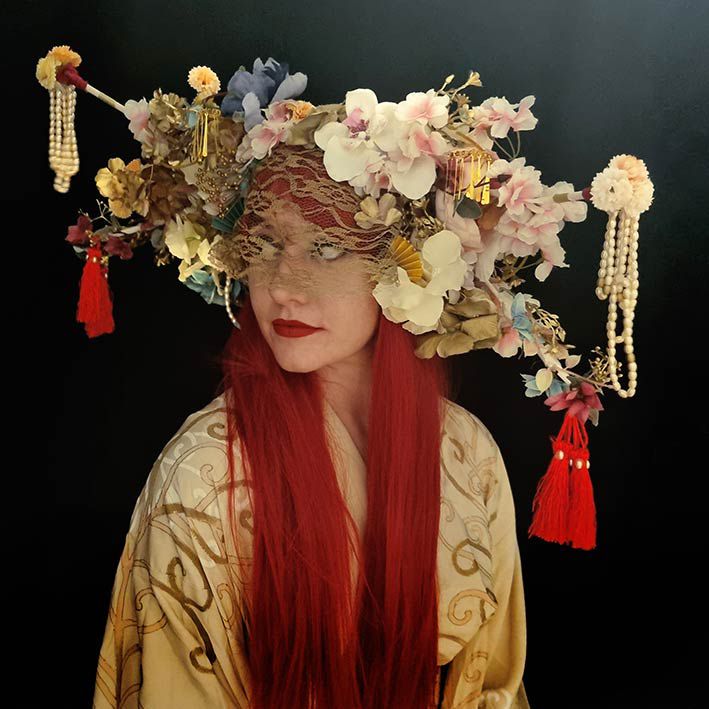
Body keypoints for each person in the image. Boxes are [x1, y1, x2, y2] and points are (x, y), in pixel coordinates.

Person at [92, 144, 530, 709]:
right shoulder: (202, 475)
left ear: (408, 266)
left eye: (327, 248)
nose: (283, 287)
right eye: (267, 244)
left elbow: (489, 685)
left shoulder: (467, 450)